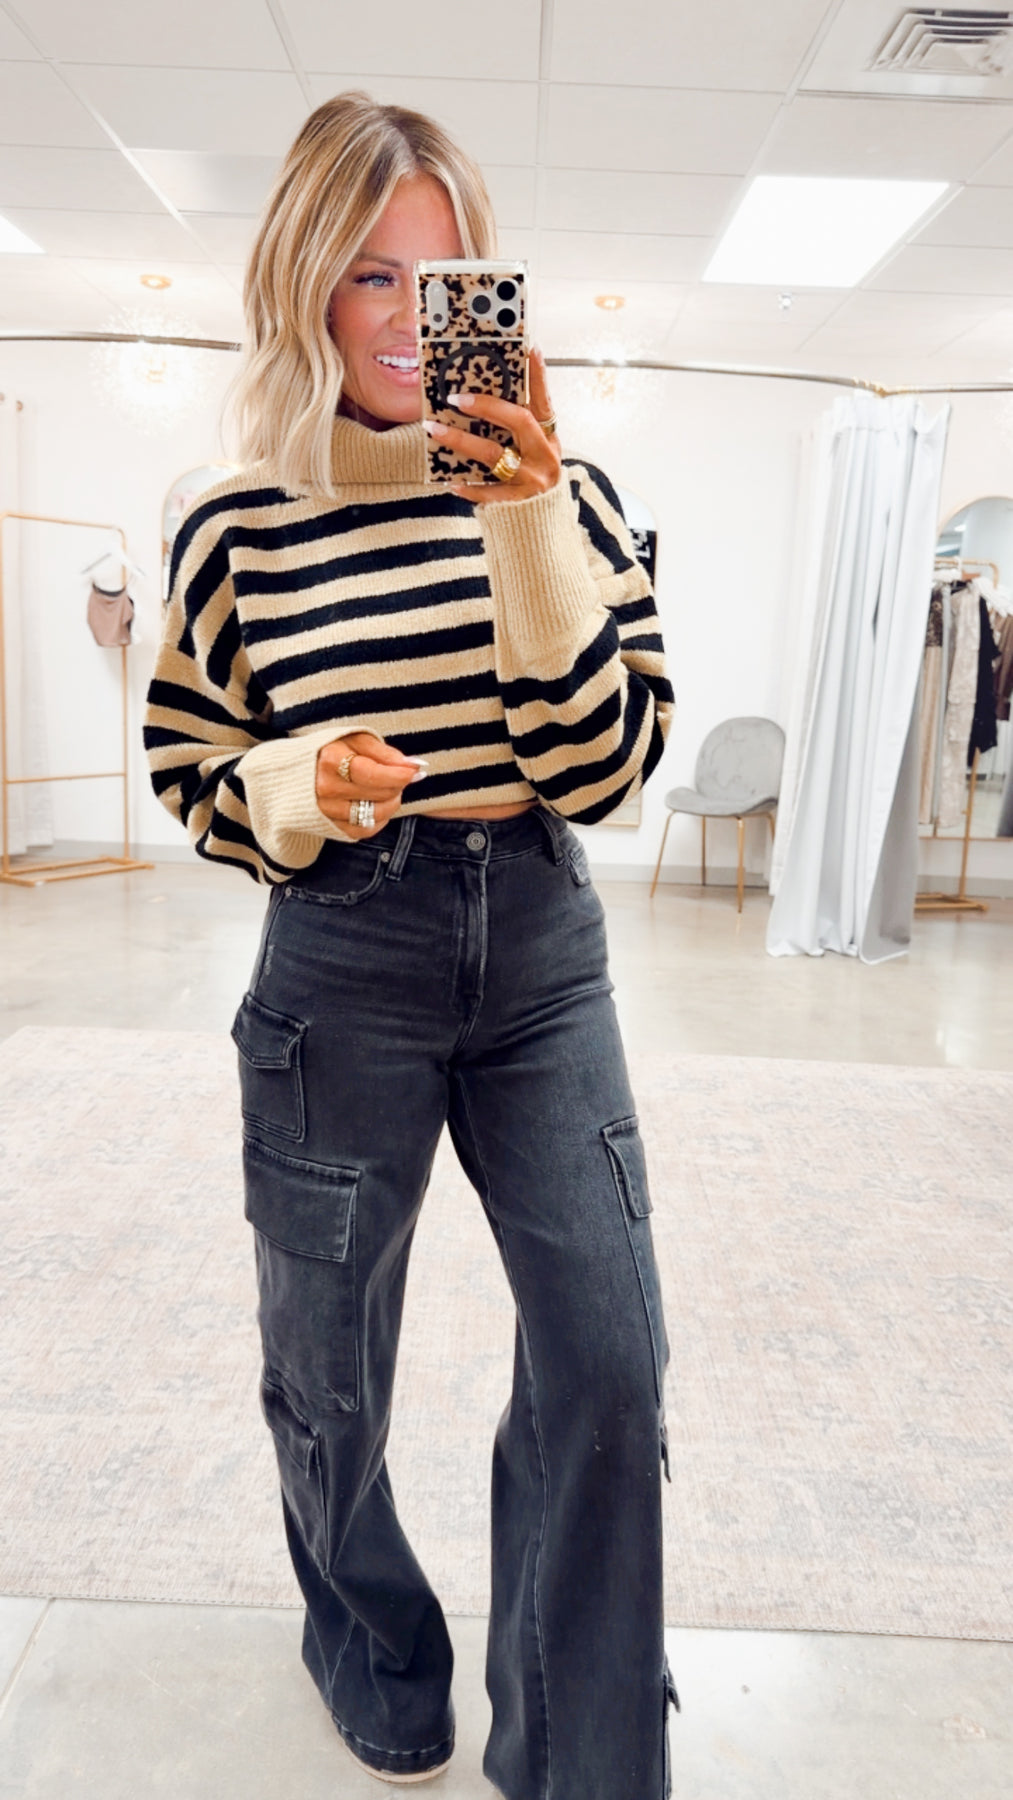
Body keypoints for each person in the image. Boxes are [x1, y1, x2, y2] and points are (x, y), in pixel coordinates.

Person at [144, 91, 677, 1800]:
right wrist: (295, 787)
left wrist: (524, 516)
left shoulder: (573, 496)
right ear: (303, 283)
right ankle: (370, 1637)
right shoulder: (238, 524)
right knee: (327, 1369)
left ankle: (579, 1747)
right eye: (369, 276)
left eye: (444, 283)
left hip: (538, 956)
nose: (404, 320)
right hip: (338, 959)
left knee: (608, 1363)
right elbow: (191, 766)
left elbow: (603, 769)